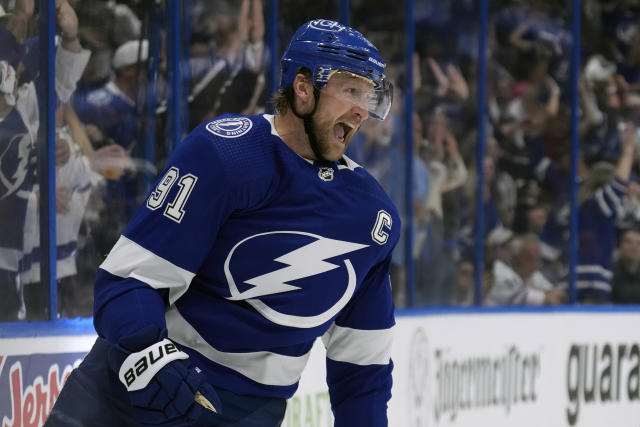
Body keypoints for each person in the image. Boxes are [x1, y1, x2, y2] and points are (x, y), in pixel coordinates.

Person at [46, 19, 398, 427]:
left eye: (369, 96)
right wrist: (146, 354)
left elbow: (363, 368)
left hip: (247, 413)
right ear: (303, 88)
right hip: (131, 385)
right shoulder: (227, 154)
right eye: (351, 90)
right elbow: (128, 280)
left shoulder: (373, 217)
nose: (362, 110)